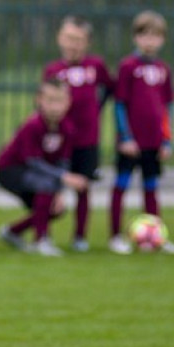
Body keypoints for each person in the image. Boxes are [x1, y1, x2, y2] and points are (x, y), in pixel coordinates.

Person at [110, 10, 174, 255]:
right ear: (135, 37)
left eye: (156, 35)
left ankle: (155, 236)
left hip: (154, 142)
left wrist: (167, 139)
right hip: (131, 143)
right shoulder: (128, 66)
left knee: (151, 187)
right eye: (145, 35)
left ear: (162, 39)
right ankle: (115, 236)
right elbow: (119, 104)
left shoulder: (164, 69)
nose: (150, 40)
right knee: (121, 186)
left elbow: (167, 107)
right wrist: (125, 137)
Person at [43, 15, 114, 252]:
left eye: (78, 39)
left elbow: (110, 89)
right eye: (68, 38)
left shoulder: (95, 66)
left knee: (83, 186)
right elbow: (44, 101)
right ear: (59, 39)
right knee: (52, 186)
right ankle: (44, 234)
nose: (72, 44)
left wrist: (97, 108)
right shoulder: (53, 70)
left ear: (87, 43)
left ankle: (80, 236)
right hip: (61, 140)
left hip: (87, 139)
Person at [0, 80, 88, 257]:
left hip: (39, 172)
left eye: (60, 101)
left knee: (54, 208)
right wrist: (63, 178)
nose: (55, 106)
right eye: (50, 100)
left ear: (68, 102)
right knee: (45, 186)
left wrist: (60, 191)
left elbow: (63, 162)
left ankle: (12, 232)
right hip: (11, 170)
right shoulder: (33, 125)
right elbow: (33, 161)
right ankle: (41, 241)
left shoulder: (66, 128)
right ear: (39, 100)